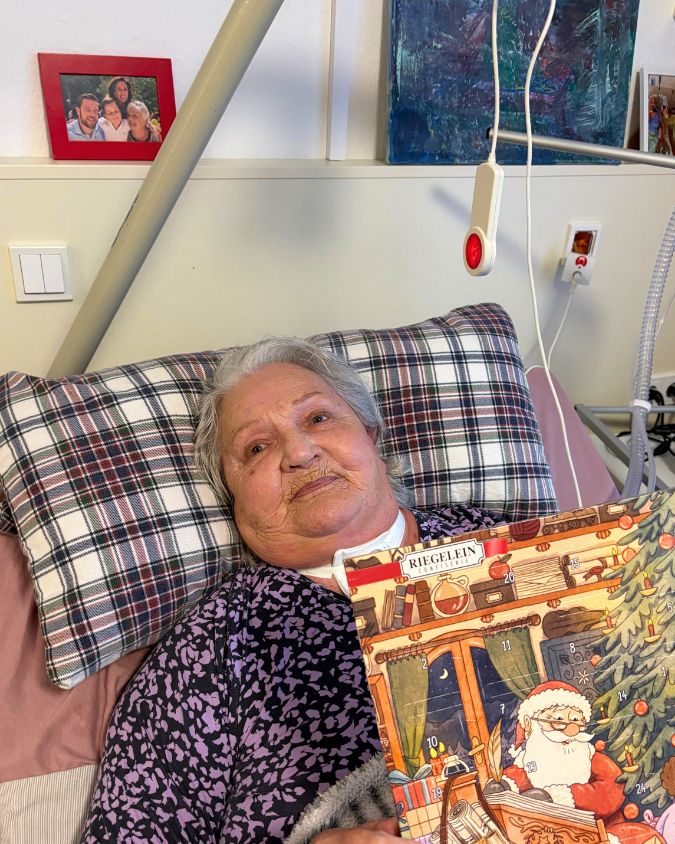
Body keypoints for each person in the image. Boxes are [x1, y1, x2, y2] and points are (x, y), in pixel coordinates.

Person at [80, 337, 502, 842]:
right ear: (233, 498)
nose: (300, 453)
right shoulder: (212, 647)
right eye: (256, 448)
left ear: (371, 437)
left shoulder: (506, 543)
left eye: (318, 418)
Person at [501, 681, 655, 844]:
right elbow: (516, 777)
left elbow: (612, 788)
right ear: (529, 723)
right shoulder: (530, 761)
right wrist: (506, 785)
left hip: (597, 831)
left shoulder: (589, 757)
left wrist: (566, 797)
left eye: (576, 720)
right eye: (558, 720)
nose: (570, 730)